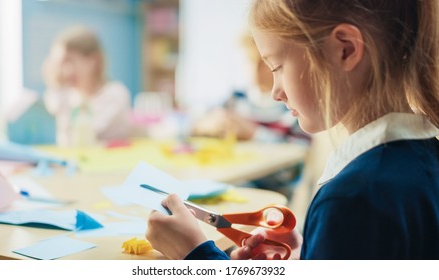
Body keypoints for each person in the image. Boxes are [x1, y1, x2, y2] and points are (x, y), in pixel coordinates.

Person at [145, 0, 439, 260]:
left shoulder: (353, 197)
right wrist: (309, 253)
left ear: (345, 50)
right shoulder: (423, 159)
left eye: (276, 67)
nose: (275, 92)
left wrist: (196, 256)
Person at [43, 25, 133, 146]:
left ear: (93, 60)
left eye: (70, 61)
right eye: (60, 63)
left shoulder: (115, 94)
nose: (65, 71)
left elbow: (82, 137)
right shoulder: (62, 95)